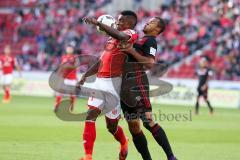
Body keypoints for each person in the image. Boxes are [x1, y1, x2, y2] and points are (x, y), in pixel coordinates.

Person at [78, 11, 138, 160]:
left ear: (130, 23)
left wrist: (98, 23)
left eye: (121, 21)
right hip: (100, 82)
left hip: (115, 84)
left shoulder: (131, 34)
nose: (118, 23)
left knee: (111, 127)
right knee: (90, 114)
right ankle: (88, 156)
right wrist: (85, 75)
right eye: (117, 21)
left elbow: (122, 36)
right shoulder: (111, 38)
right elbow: (101, 61)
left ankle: (124, 142)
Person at [119, 17, 177, 160]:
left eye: (151, 22)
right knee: (134, 127)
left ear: (157, 29)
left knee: (148, 121)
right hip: (125, 86)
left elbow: (150, 64)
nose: (146, 23)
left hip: (137, 84)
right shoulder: (140, 39)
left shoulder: (150, 41)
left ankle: (171, 157)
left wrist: (131, 51)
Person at [54, 44, 79, 112]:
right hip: (64, 78)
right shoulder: (64, 57)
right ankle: (56, 105)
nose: (69, 50)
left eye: (70, 49)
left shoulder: (75, 57)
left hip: (72, 78)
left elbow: (76, 66)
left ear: (72, 50)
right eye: (68, 48)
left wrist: (67, 66)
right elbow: (62, 67)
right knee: (60, 92)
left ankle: (72, 105)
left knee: (72, 94)